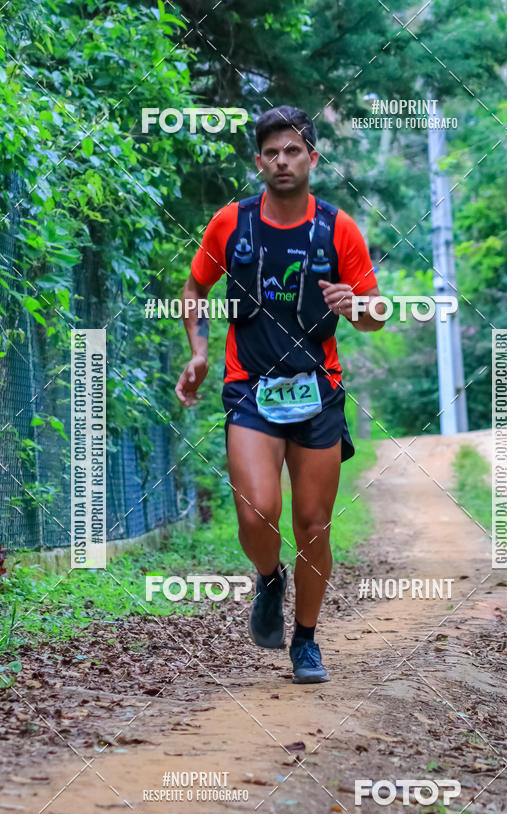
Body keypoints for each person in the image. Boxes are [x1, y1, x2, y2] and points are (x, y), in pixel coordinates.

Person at [175, 105, 384, 684]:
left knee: (313, 525)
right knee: (257, 511)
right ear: (258, 161)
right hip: (250, 390)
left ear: (313, 159)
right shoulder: (232, 223)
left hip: (319, 391)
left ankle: (307, 641)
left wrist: (356, 307)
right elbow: (194, 287)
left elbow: (377, 315)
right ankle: (270, 578)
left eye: (293, 150)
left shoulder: (338, 228)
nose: (282, 160)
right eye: (271, 152)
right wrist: (198, 351)